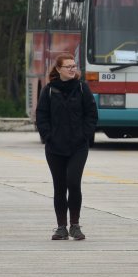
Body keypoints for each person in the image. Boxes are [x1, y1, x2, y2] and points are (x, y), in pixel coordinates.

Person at [35, 53, 98, 241]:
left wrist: (85, 135)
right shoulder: (48, 90)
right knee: (59, 186)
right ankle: (61, 227)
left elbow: (91, 115)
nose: (73, 69)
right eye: (68, 66)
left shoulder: (82, 88)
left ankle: (75, 225)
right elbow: (41, 116)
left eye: (74, 66)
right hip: (55, 147)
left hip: (78, 147)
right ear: (58, 69)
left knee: (73, 182)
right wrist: (48, 136)